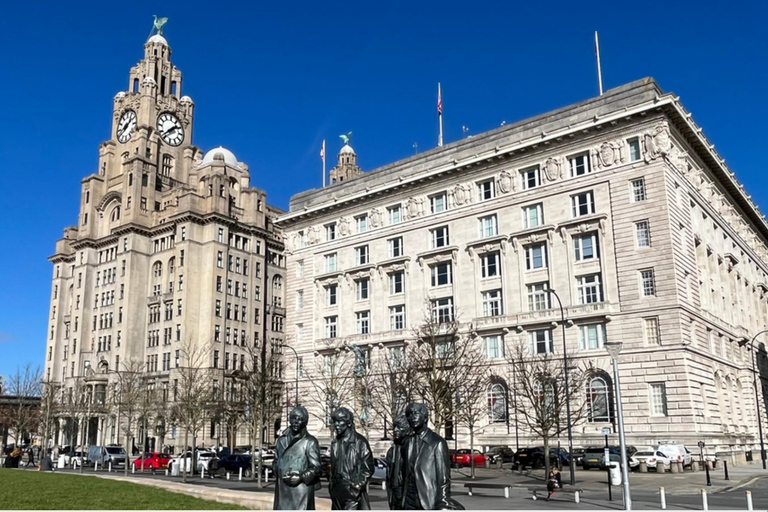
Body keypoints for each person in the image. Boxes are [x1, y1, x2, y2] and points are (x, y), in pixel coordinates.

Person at [400, 403, 463, 510]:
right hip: (408, 501)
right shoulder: (407, 442)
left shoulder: (437, 443)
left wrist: (442, 502)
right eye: (409, 414)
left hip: (427, 500)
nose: (412, 417)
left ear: (425, 417)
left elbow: (443, 478)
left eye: (416, 413)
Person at [273, 406, 322, 510]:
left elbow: (316, 468)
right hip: (283, 489)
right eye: (294, 418)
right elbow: (276, 460)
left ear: (305, 422)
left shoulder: (310, 442)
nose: (296, 421)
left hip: (301, 491)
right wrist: (277, 469)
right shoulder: (281, 440)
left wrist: (301, 477)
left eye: (300, 419)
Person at [329, 407, 374, 510]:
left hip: (352, 492)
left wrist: (356, 486)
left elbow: (368, 468)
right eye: (335, 421)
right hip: (337, 491)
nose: (336, 424)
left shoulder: (360, 442)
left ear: (348, 423)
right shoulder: (335, 443)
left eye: (340, 421)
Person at [385, 415, 412, 510]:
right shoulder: (392, 451)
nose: (396, 430)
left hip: (407, 492)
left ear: (407, 429)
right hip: (394, 491)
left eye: (400, 427)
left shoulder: (412, 448)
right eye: (395, 427)